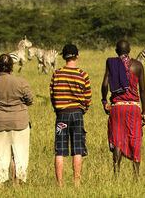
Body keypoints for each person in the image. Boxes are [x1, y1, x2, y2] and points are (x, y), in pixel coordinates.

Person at [0, 54, 34, 187]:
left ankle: (0, 184)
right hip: (20, 123)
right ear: (12, 66)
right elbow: (30, 100)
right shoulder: (21, 82)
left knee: (0, 155)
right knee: (20, 155)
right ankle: (17, 183)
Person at [101, 40, 145, 178]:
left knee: (117, 139)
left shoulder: (111, 63)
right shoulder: (138, 65)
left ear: (116, 51)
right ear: (130, 50)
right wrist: (144, 112)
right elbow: (143, 90)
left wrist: (104, 101)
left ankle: (116, 174)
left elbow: (105, 84)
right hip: (133, 108)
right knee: (135, 138)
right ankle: (136, 174)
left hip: (117, 107)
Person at [49, 44, 91, 187]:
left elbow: (52, 95)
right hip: (78, 114)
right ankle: (76, 182)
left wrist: (58, 109)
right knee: (77, 148)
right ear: (77, 56)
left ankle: (60, 184)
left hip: (61, 115)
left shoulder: (57, 73)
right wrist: (82, 109)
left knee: (60, 150)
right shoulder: (83, 74)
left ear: (63, 57)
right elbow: (88, 98)